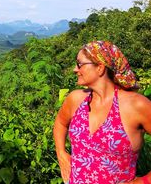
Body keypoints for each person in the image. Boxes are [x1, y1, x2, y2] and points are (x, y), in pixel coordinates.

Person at [53, 41, 151, 184]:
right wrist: (61, 154)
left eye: (80, 64)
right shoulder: (76, 99)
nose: (75, 69)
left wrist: (144, 181)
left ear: (100, 68)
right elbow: (60, 123)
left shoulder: (135, 105)